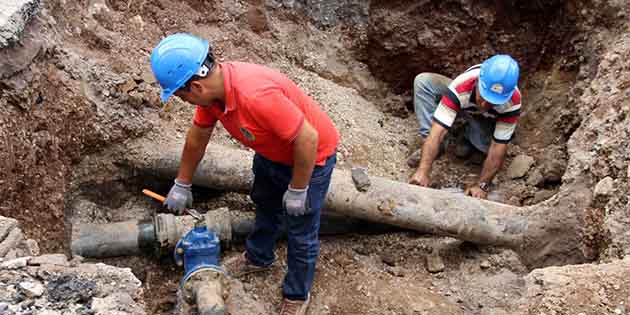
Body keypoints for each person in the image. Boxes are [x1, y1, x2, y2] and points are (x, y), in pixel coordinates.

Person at [150, 33, 339, 315]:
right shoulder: (213, 98)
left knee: (300, 231)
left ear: (197, 87)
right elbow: (198, 136)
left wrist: (299, 188)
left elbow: (307, 139)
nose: (183, 100)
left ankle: (297, 295)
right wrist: (182, 182)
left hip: (311, 159)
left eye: (180, 94)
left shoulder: (255, 95)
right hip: (271, 153)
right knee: (265, 204)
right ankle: (259, 257)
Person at [408, 54, 521, 199]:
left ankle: (466, 134)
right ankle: (440, 146)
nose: (485, 105)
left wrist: (482, 185)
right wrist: (422, 172)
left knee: (482, 148)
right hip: (464, 103)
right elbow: (437, 133)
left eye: (493, 101)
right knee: (424, 82)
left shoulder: (512, 102)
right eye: (484, 96)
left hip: (487, 122)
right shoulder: (462, 86)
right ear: (478, 81)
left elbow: (497, 148)